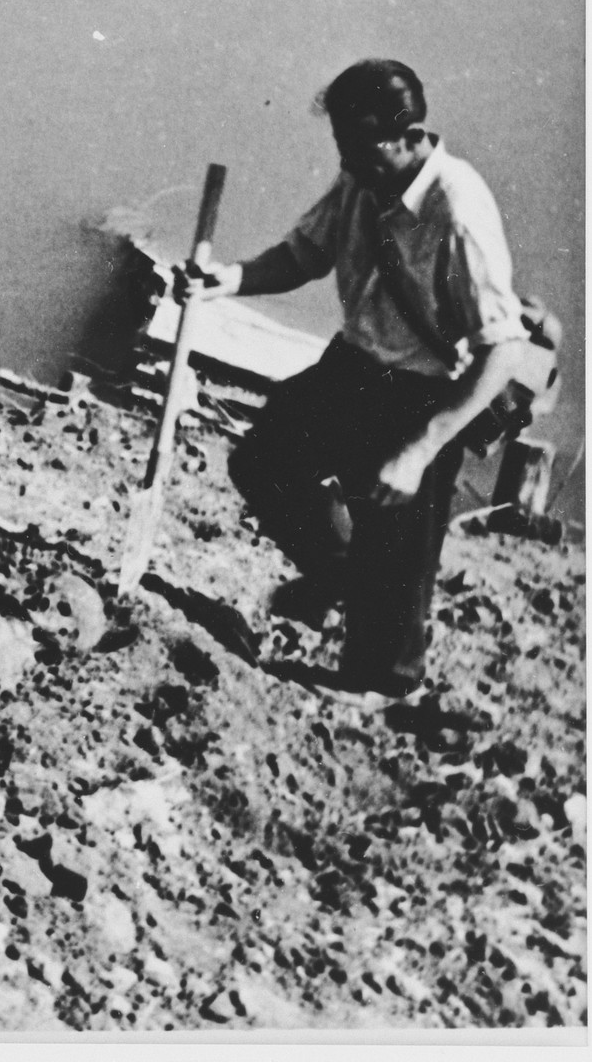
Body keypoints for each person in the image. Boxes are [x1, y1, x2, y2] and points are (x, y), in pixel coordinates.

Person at [181, 58, 529, 701]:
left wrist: (422, 451)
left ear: (404, 131)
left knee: (394, 563)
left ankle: (379, 688)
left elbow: (503, 351)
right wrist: (225, 281)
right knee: (266, 461)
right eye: (340, 139)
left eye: (357, 140)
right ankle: (340, 576)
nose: (344, 155)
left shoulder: (457, 209)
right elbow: (303, 254)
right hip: (353, 369)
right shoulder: (361, 178)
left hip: (424, 396)